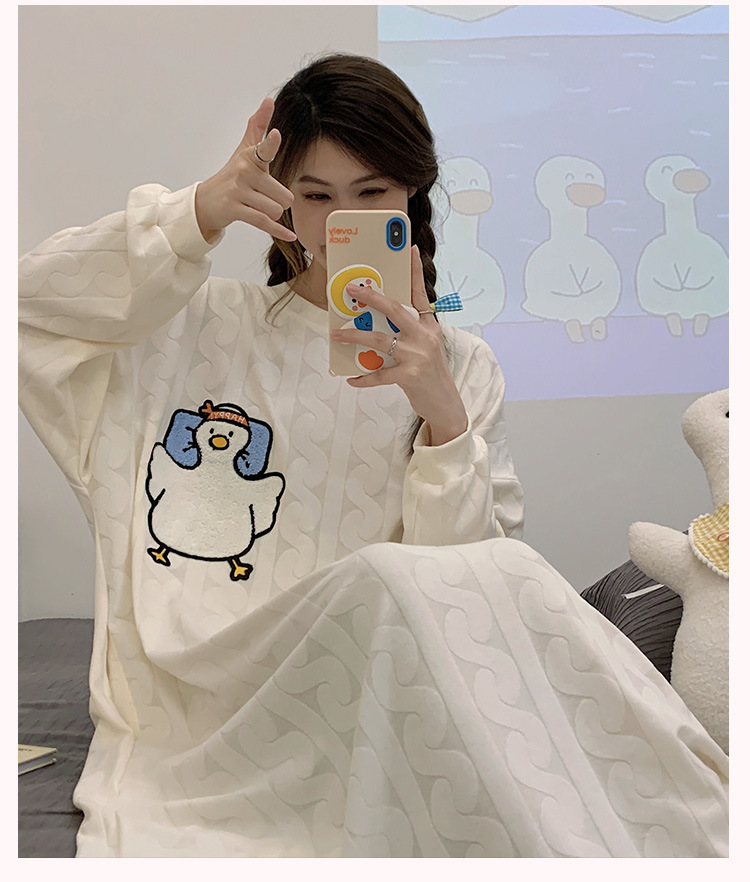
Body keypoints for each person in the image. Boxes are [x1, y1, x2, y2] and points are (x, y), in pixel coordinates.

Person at [19, 54, 727, 858]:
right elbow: (30, 310)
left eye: (370, 194)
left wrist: (442, 422)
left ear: (410, 196)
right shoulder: (187, 326)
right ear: (279, 195)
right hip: (217, 698)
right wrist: (193, 216)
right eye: (315, 195)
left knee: (505, 571)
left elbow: (467, 601)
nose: (337, 222)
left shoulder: (458, 366)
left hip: (382, 682)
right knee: (400, 575)